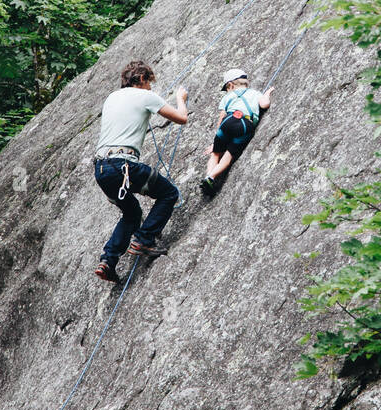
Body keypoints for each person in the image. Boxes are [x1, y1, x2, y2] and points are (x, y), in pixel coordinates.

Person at [92, 59, 189, 282]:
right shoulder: (146, 96)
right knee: (168, 193)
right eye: (149, 83)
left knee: (132, 213)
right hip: (122, 165)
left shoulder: (112, 97)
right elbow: (181, 118)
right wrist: (180, 99)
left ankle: (108, 261)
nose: (151, 88)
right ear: (142, 79)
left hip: (102, 170)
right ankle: (143, 240)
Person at [201, 68, 273, 198]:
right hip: (245, 124)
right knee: (228, 155)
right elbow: (264, 104)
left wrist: (215, 140)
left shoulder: (228, 96)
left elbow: (222, 116)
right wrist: (267, 94)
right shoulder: (255, 93)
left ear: (230, 85)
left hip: (227, 121)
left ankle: (208, 176)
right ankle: (212, 177)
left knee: (216, 153)